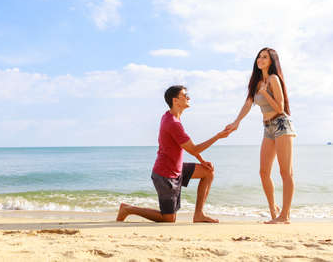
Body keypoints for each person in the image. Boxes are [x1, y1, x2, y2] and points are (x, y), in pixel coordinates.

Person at [116, 85, 230, 223]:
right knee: (169, 219)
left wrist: (202, 160)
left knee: (207, 172)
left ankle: (199, 214)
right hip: (165, 175)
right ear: (175, 100)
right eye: (185, 95)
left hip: (176, 169)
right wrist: (218, 136)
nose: (188, 97)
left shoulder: (170, 115)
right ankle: (128, 209)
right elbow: (193, 149)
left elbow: (187, 147)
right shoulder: (173, 123)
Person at [225, 47, 296, 224]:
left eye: (265, 57)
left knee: (285, 172)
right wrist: (236, 122)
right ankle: (274, 209)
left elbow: (280, 108)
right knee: (264, 172)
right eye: (259, 56)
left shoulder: (273, 79)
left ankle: (285, 215)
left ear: (272, 61)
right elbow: (248, 104)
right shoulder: (256, 82)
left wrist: (265, 93)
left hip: (281, 124)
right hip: (267, 128)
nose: (260, 59)